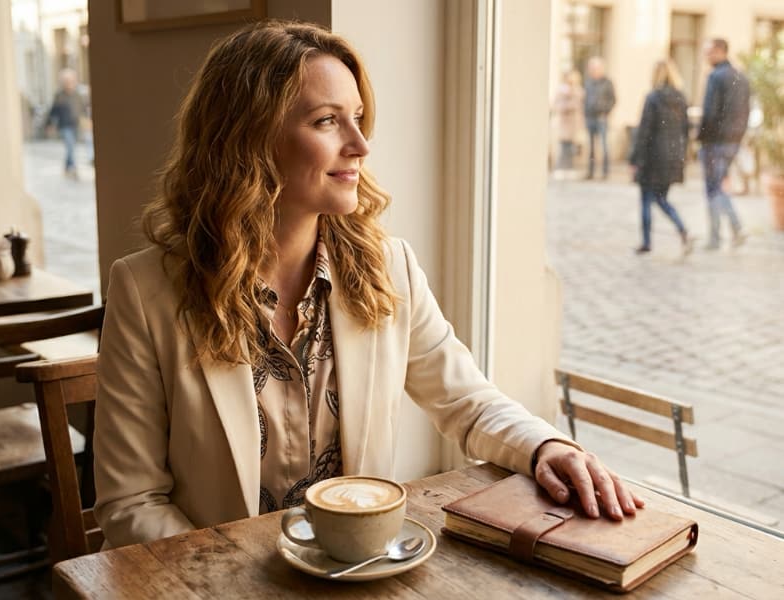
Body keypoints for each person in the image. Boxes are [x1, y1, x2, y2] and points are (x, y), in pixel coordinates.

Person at [93, 20, 643, 549]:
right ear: (247, 139)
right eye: (327, 121)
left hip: (360, 575)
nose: (360, 144)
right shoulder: (146, 292)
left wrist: (545, 445)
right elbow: (132, 503)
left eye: (357, 117)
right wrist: (243, 580)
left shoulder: (388, 268)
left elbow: (468, 402)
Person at [629, 59, 692, 255]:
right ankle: (682, 229)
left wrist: (634, 159)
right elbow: (686, 131)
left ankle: (647, 242)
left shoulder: (653, 98)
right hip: (672, 157)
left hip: (652, 158)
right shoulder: (681, 99)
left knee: (647, 199)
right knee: (661, 198)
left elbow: (644, 132)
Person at [697, 38, 751, 250]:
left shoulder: (716, 77)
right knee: (719, 186)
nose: (706, 57)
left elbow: (710, 113)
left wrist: (701, 138)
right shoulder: (741, 77)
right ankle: (734, 230)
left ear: (720, 51)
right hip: (732, 142)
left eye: (708, 52)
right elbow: (745, 112)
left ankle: (719, 235)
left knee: (713, 188)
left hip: (715, 142)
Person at [47, 68, 85, 178]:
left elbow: (82, 108)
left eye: (71, 81)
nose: (69, 83)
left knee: (72, 147)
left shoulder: (77, 94)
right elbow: (53, 110)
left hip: (75, 124)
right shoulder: (59, 95)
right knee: (70, 146)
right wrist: (50, 124)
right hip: (64, 126)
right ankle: (72, 167)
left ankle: (67, 167)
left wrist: (86, 119)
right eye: (66, 81)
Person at [583, 57, 616, 180]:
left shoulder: (607, 82)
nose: (592, 70)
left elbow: (613, 100)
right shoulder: (588, 82)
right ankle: (590, 172)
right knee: (591, 147)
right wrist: (585, 114)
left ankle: (605, 172)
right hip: (590, 117)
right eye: (591, 68)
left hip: (602, 118)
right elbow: (585, 100)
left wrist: (605, 111)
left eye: (594, 68)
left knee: (604, 146)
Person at [552, 70, 584, 173]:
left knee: (571, 147)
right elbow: (556, 105)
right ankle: (561, 167)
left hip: (573, 123)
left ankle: (570, 167)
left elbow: (580, 106)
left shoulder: (578, 91)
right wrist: (567, 106)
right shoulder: (561, 91)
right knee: (563, 146)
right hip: (563, 122)